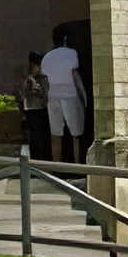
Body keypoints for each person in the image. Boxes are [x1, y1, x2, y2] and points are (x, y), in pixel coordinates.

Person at [40, 35, 88, 165]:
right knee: (76, 132)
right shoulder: (71, 53)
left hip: (52, 95)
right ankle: (77, 163)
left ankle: (57, 164)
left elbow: (44, 76)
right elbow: (75, 71)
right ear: (66, 39)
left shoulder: (47, 57)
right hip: (70, 94)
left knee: (56, 133)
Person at [17, 52, 51, 158]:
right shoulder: (28, 79)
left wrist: (35, 86)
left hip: (41, 108)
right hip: (30, 110)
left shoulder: (43, 78)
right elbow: (23, 95)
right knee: (33, 136)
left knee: (42, 135)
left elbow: (44, 93)